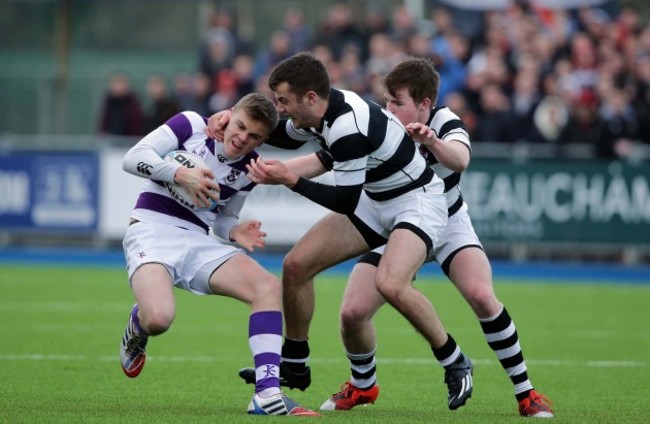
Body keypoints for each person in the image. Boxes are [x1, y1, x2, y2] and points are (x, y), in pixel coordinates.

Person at [207, 52, 475, 411]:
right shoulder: (322, 111)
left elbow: (345, 201)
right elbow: (282, 134)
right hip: (377, 200)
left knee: (391, 284)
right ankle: (295, 363)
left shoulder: (346, 125)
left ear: (311, 98)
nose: (281, 108)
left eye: (284, 101)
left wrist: (291, 179)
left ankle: (454, 359)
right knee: (296, 265)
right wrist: (235, 118)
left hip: (417, 201)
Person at [317, 58, 553, 417]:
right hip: (396, 223)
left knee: (482, 296)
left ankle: (526, 393)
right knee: (352, 312)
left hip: (446, 223)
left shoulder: (445, 121)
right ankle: (363, 386)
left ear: (424, 104)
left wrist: (433, 142)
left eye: (397, 102)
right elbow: (331, 158)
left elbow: (460, 160)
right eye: (387, 101)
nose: (388, 108)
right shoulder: (378, 124)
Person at [118, 93, 319, 417]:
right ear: (229, 115)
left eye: (254, 136)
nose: (242, 138)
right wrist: (179, 173)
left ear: (263, 139)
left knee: (267, 286)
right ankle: (138, 326)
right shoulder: (191, 125)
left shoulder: (248, 171)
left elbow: (223, 219)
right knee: (158, 318)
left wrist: (233, 231)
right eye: (240, 126)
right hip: (152, 230)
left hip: (198, 241)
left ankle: (267, 395)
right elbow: (132, 158)